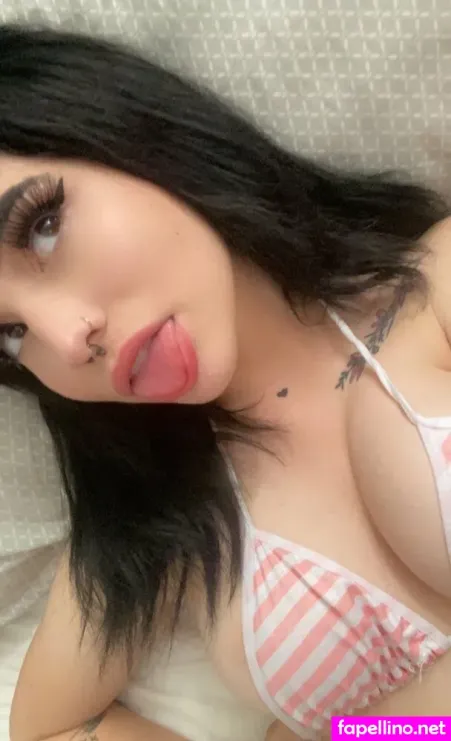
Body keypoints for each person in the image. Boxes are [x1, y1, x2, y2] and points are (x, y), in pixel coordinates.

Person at [2, 23, 450, 741]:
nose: (64, 337)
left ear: (127, 137)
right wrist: (372, 732)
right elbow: (43, 727)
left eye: (41, 226)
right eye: (11, 334)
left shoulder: (432, 283)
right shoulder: (165, 510)